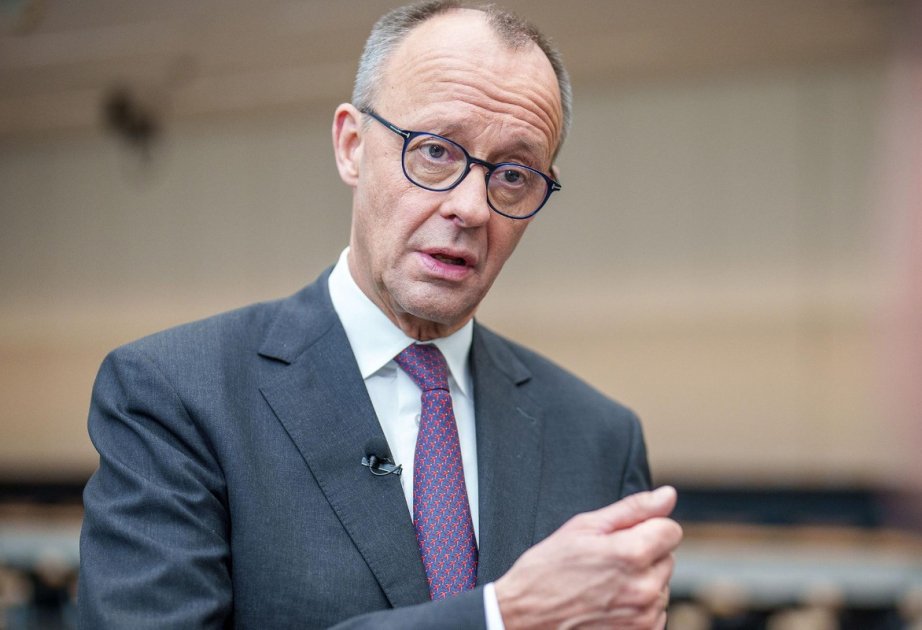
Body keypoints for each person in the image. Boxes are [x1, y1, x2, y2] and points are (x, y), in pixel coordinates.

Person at [78, 1, 683, 628]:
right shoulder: (177, 394)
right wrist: (501, 616)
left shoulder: (599, 440)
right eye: (436, 151)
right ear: (352, 146)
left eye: (512, 174)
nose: (472, 208)